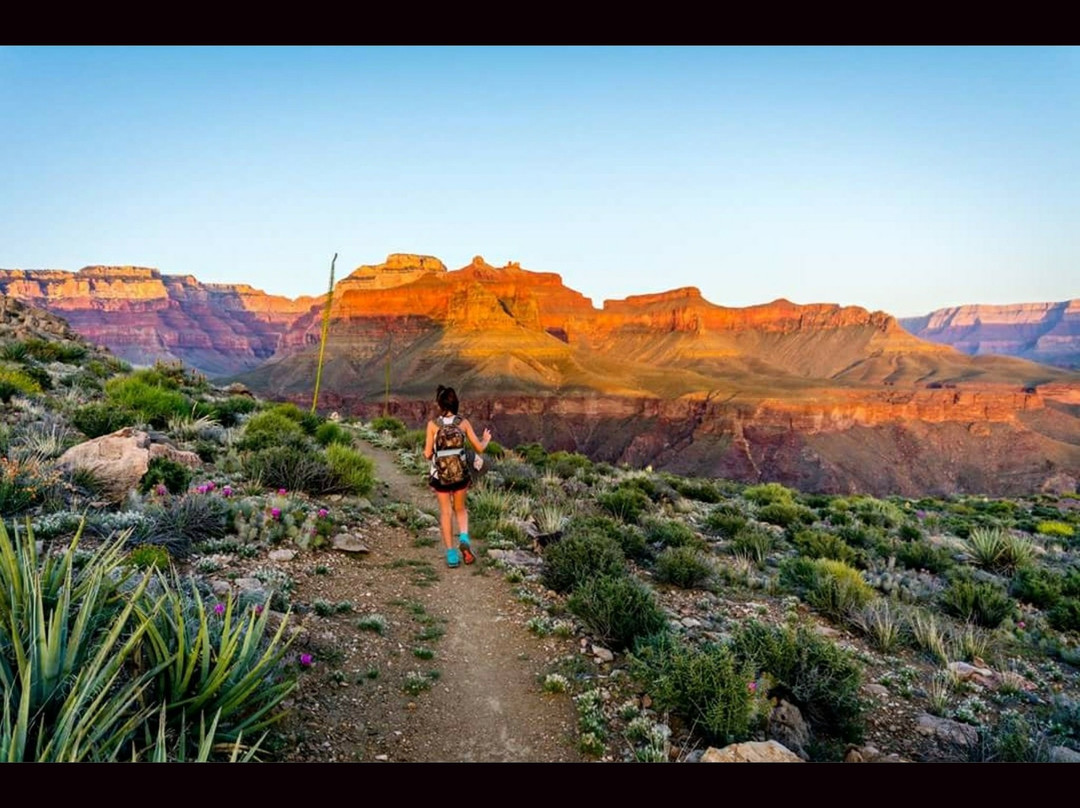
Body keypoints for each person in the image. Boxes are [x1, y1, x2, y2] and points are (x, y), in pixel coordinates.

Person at [424, 385, 492, 567]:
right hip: (460, 475)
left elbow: (427, 453)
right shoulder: (464, 423)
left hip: (441, 477)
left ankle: (451, 555)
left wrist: (438, 456)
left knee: (446, 512)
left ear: (440, 404)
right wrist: (485, 440)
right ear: (456, 404)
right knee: (460, 509)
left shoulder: (432, 425)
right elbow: (479, 448)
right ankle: (464, 537)